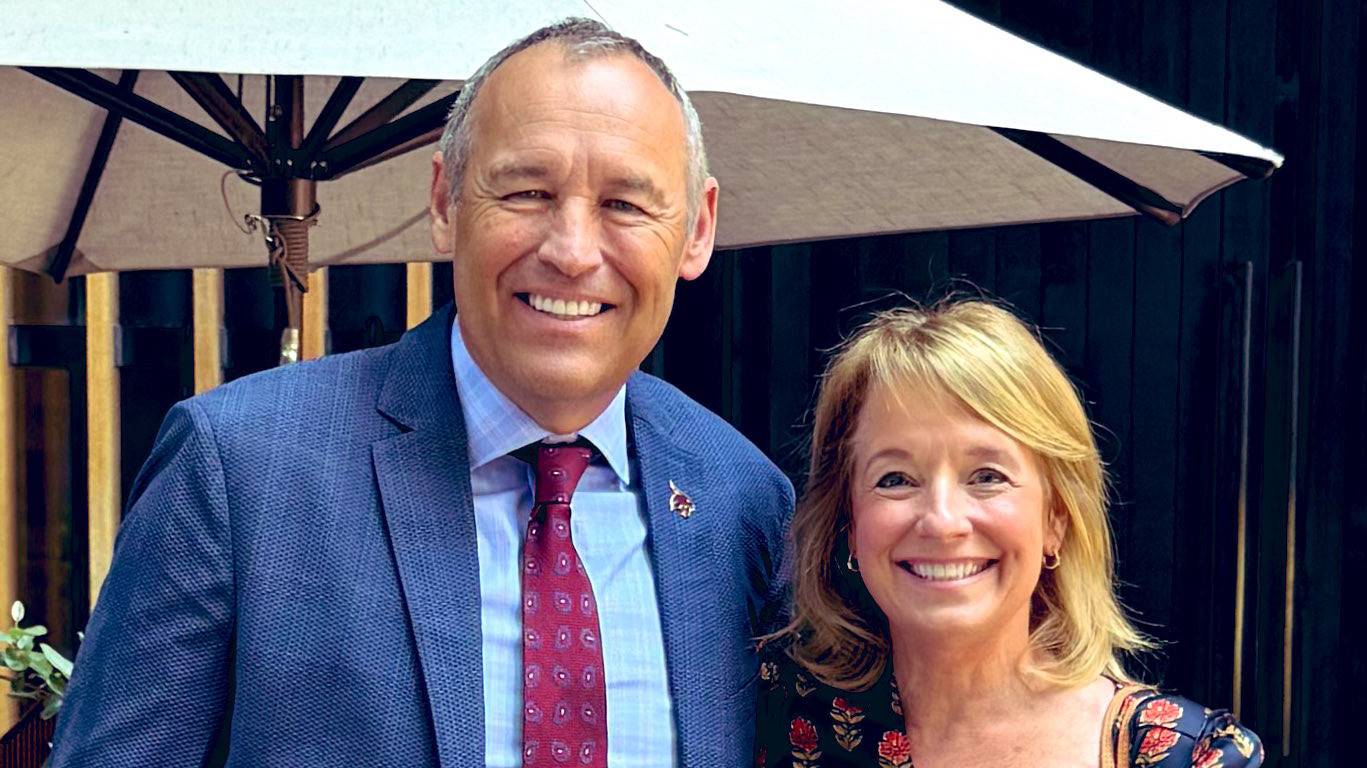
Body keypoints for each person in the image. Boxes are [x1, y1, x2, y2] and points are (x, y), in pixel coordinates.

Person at [50, 18, 793, 767]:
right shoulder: (239, 470)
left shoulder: (742, 500)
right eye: (528, 190)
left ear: (696, 229)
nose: (571, 251)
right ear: (444, 203)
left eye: (624, 205)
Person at [755, 301, 1261, 767]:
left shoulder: (1188, 757)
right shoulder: (782, 725)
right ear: (848, 522)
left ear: (1056, 518)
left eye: (987, 477)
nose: (943, 521)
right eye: (896, 480)